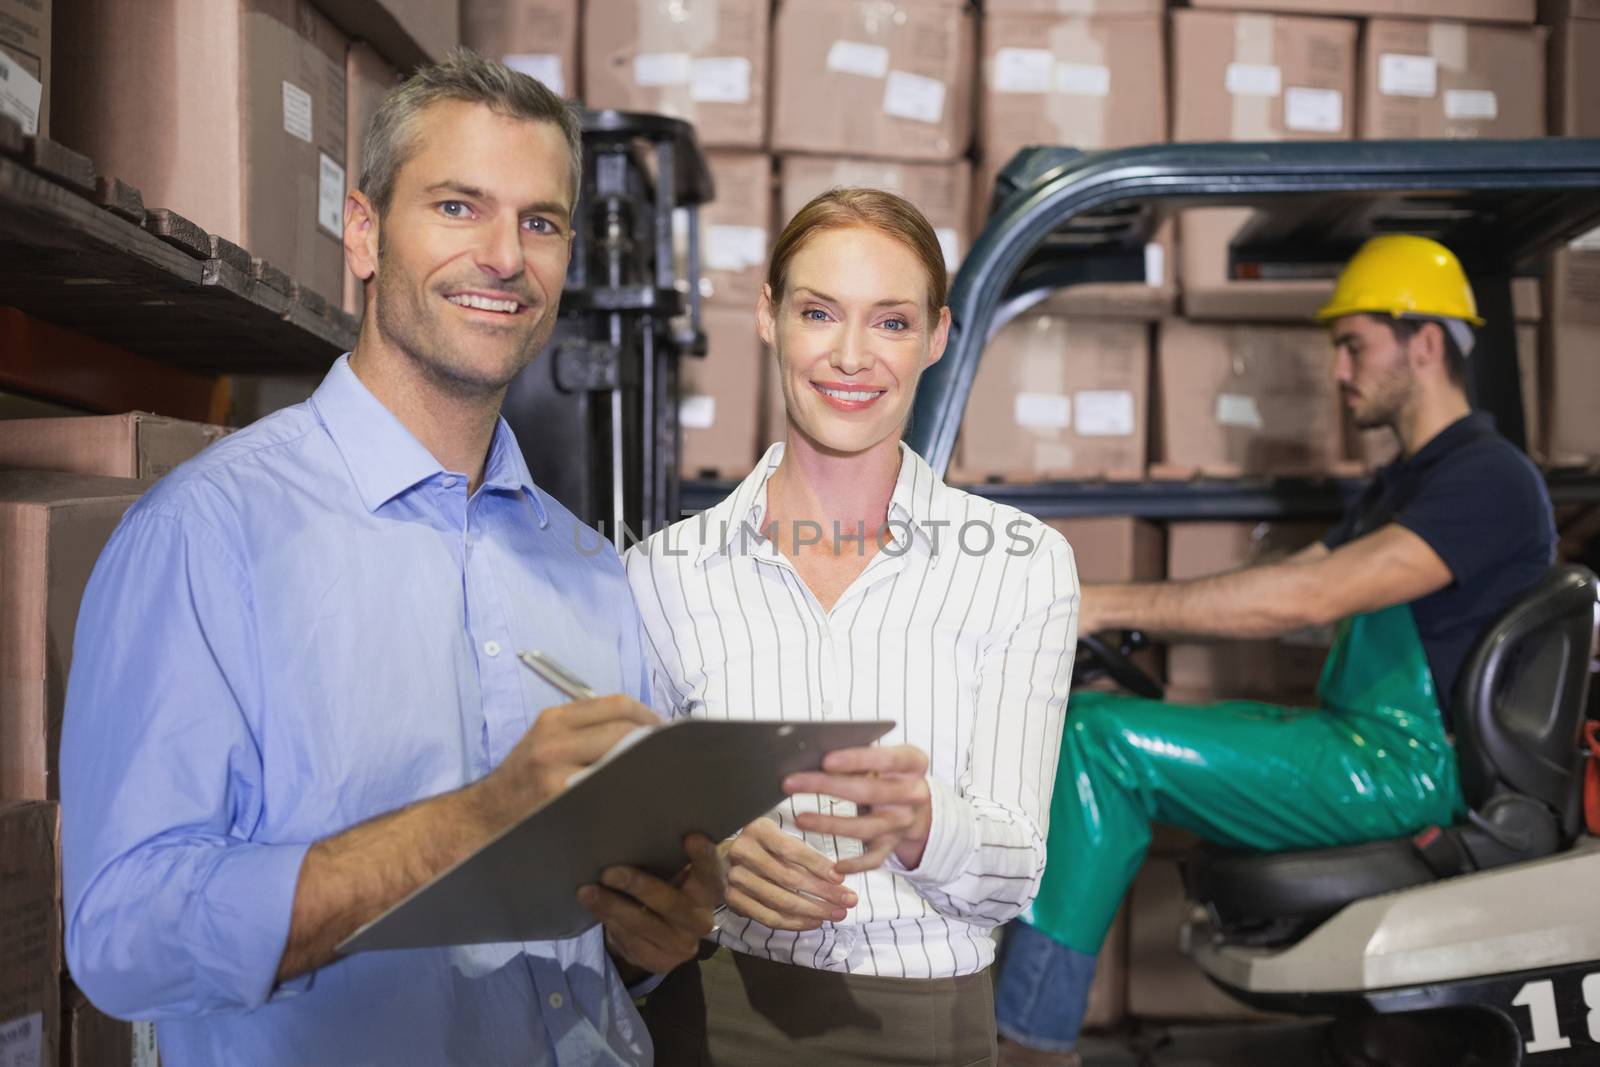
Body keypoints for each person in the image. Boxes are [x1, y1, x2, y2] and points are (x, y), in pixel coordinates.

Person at [60, 52, 721, 1066]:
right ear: (363, 233)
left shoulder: (589, 569)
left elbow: (601, 933)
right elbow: (121, 938)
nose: (504, 256)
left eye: (539, 222)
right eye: (458, 207)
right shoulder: (209, 533)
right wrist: (474, 819)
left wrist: (655, 937)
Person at [992, 235, 1558, 1066]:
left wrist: (1093, 604)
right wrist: (1131, 612)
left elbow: (1309, 597)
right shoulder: (1409, 481)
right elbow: (1293, 576)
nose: (1340, 369)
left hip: (1399, 769)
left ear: (1425, 342)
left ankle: (1027, 1043)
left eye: (1354, 344)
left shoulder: (1488, 480)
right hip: (1357, 741)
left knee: (1096, 743)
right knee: (1097, 722)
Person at [624, 188, 1080, 1066]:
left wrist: (920, 821)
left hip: (924, 1028)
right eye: (819, 312)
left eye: (892, 322)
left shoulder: (1020, 565)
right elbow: (630, 835)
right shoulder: (664, 573)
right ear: (768, 316)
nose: (850, 355)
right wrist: (707, 851)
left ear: (938, 337)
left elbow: (1018, 871)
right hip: (710, 1012)